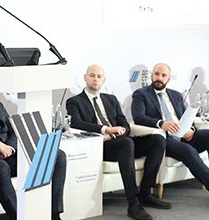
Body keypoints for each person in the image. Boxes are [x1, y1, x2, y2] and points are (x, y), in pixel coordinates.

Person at [131, 63, 209, 210]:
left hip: (183, 135)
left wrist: (191, 129)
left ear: (169, 78)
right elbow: (138, 117)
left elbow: (187, 117)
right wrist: (161, 124)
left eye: (163, 75)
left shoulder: (176, 95)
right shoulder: (141, 94)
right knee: (188, 150)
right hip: (163, 139)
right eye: (156, 74)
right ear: (152, 75)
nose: (159, 78)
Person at [66, 64, 169, 220]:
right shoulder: (74, 101)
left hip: (119, 142)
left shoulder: (111, 99)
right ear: (85, 78)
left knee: (158, 140)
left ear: (104, 80)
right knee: (126, 143)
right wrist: (106, 130)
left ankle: (145, 193)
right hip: (99, 146)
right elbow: (77, 124)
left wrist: (117, 133)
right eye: (92, 75)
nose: (95, 79)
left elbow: (125, 125)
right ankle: (133, 204)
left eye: (99, 76)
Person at [0, 91, 66, 219]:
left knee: (58, 155)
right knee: (0, 167)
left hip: (10, 154)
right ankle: (18, 216)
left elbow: (15, 129)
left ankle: (54, 214)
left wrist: (10, 148)